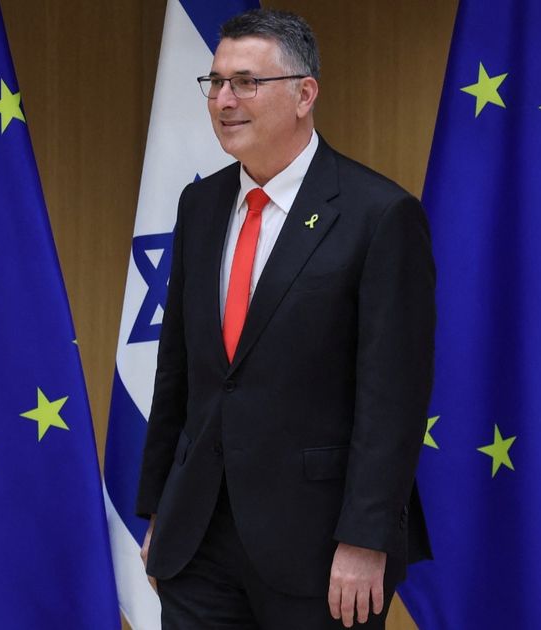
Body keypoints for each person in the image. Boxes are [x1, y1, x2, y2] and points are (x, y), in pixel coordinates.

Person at [136, 9, 434, 630]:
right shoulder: (201, 204)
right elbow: (178, 371)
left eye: (246, 82)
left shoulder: (379, 215)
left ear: (305, 94)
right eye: (216, 82)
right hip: (199, 536)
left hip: (319, 544)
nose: (223, 100)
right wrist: (162, 505)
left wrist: (366, 537)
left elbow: (393, 399)